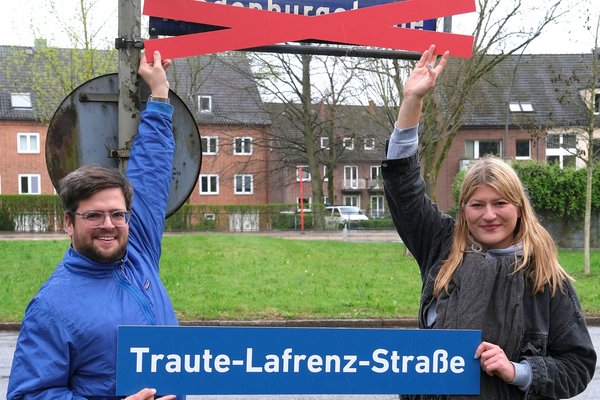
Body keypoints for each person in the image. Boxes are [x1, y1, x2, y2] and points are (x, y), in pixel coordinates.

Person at [382, 45, 596, 399]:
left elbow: (577, 367)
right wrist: (412, 102)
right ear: (464, 208)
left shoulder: (545, 277)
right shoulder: (441, 245)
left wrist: (518, 371)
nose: (489, 214)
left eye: (500, 203)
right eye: (477, 204)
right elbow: (402, 188)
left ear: (519, 207)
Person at [8, 51, 181, 400]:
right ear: (69, 223)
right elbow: (28, 395)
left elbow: (150, 171)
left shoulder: (138, 250)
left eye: (117, 214)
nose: (109, 224)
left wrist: (159, 94)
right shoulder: (51, 307)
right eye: (93, 215)